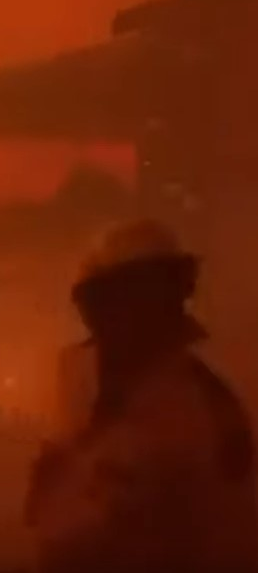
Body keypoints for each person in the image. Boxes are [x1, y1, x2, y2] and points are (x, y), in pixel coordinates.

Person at [24, 219, 258, 573]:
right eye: (105, 306)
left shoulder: (193, 404)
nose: (112, 324)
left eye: (139, 300)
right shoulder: (86, 381)